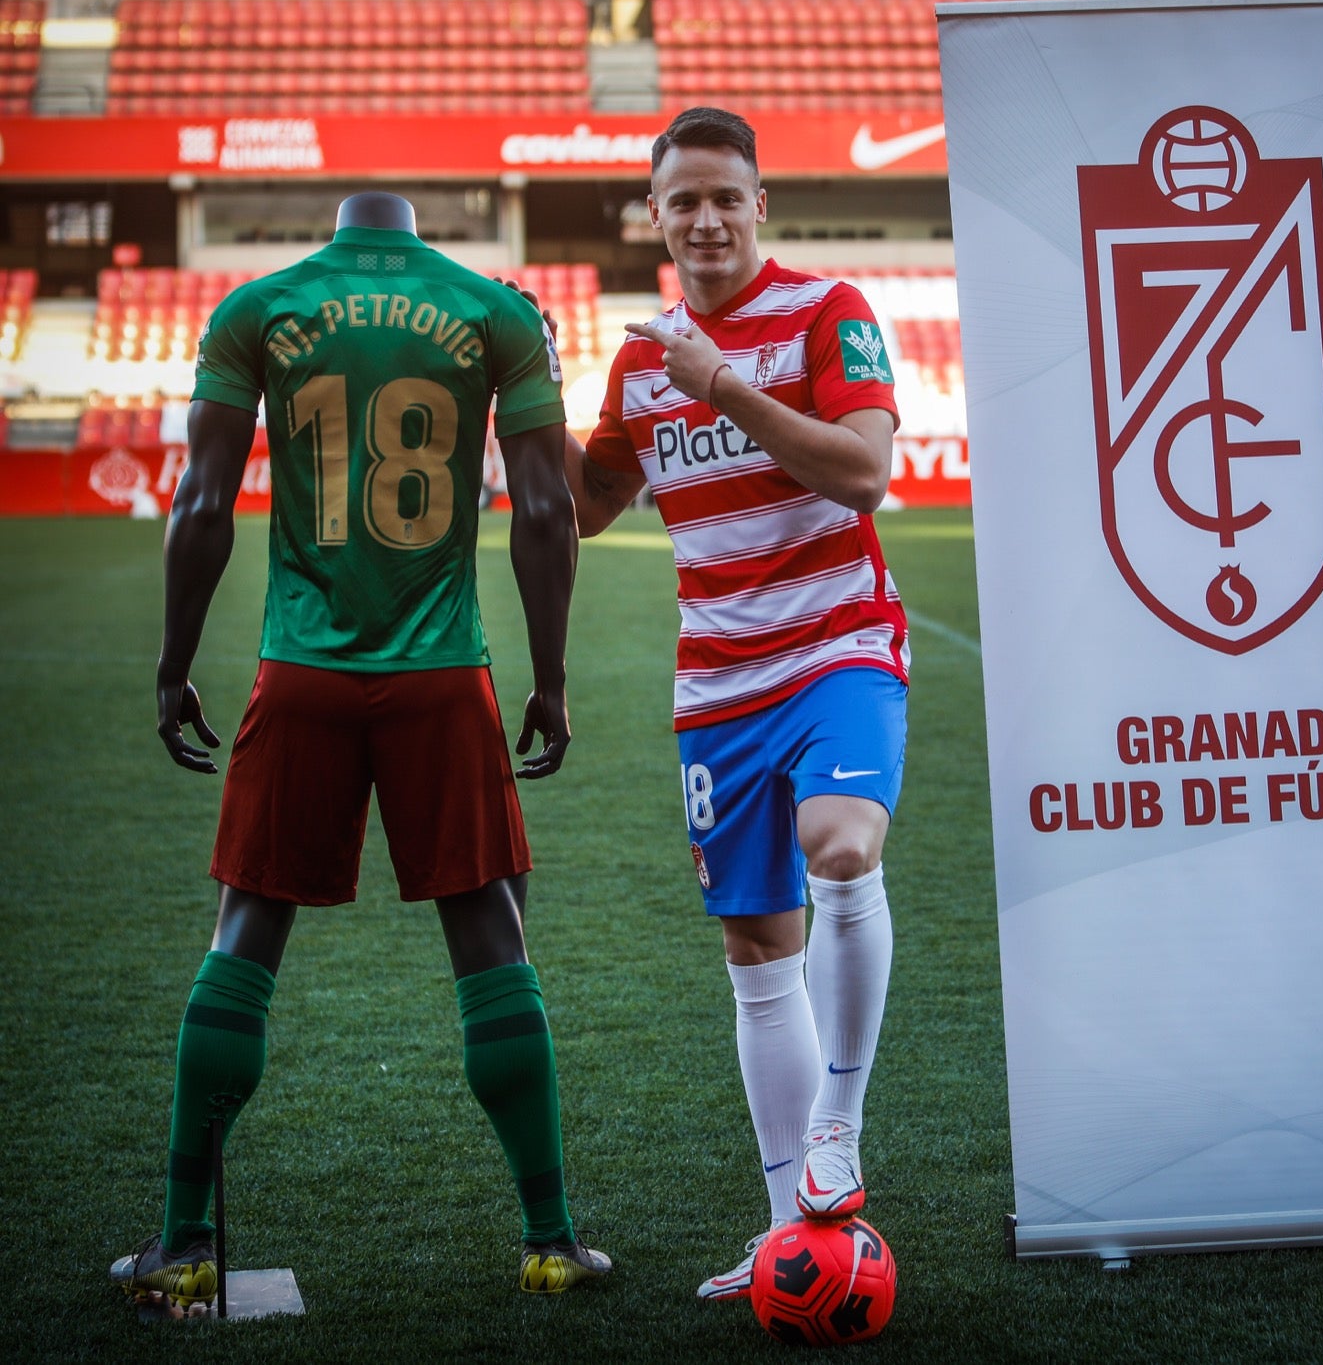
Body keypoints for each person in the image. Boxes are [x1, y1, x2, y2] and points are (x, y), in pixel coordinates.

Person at [109, 191, 611, 1312]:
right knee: (492, 928)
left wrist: (172, 663)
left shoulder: (258, 308)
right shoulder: (494, 311)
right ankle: (551, 1240)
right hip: (445, 677)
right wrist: (553, 678)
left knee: (245, 929)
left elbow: (200, 499)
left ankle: (184, 1243)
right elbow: (544, 511)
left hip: (302, 670)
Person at [563, 107, 909, 1300]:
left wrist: (723, 388)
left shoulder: (827, 314)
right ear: (652, 218)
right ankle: (785, 1234)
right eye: (681, 200)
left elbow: (864, 469)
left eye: (724, 196)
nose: (704, 217)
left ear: (760, 206)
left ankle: (838, 1128)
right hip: (717, 684)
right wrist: (512, 395)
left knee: (842, 847)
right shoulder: (638, 359)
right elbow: (588, 500)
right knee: (758, 950)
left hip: (837, 648)